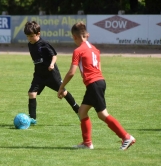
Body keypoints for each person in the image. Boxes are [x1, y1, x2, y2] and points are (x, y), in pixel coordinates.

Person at [57, 22, 135, 150]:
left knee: (102, 114)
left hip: (94, 84)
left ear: (75, 37)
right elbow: (98, 68)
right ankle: (87, 143)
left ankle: (126, 137)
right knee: (82, 112)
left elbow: (71, 72)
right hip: (99, 82)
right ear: (86, 35)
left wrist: (61, 87)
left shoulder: (78, 50)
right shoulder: (95, 49)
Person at [24, 21, 80, 125]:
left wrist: (52, 64)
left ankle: (79, 111)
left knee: (63, 92)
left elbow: (54, 55)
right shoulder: (30, 45)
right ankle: (32, 119)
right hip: (39, 75)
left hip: (51, 74)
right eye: (28, 36)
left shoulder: (44, 44)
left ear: (38, 34)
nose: (30, 38)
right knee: (31, 94)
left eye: (32, 36)